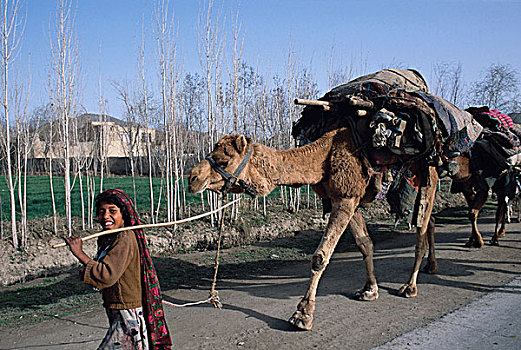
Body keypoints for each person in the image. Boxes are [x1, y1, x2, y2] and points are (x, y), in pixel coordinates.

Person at [64, 188, 172, 350]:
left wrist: (80, 254)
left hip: (127, 309)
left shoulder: (124, 238)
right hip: (117, 306)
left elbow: (107, 274)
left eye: (112, 211)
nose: (106, 216)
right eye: (101, 212)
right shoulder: (109, 237)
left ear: (124, 214)